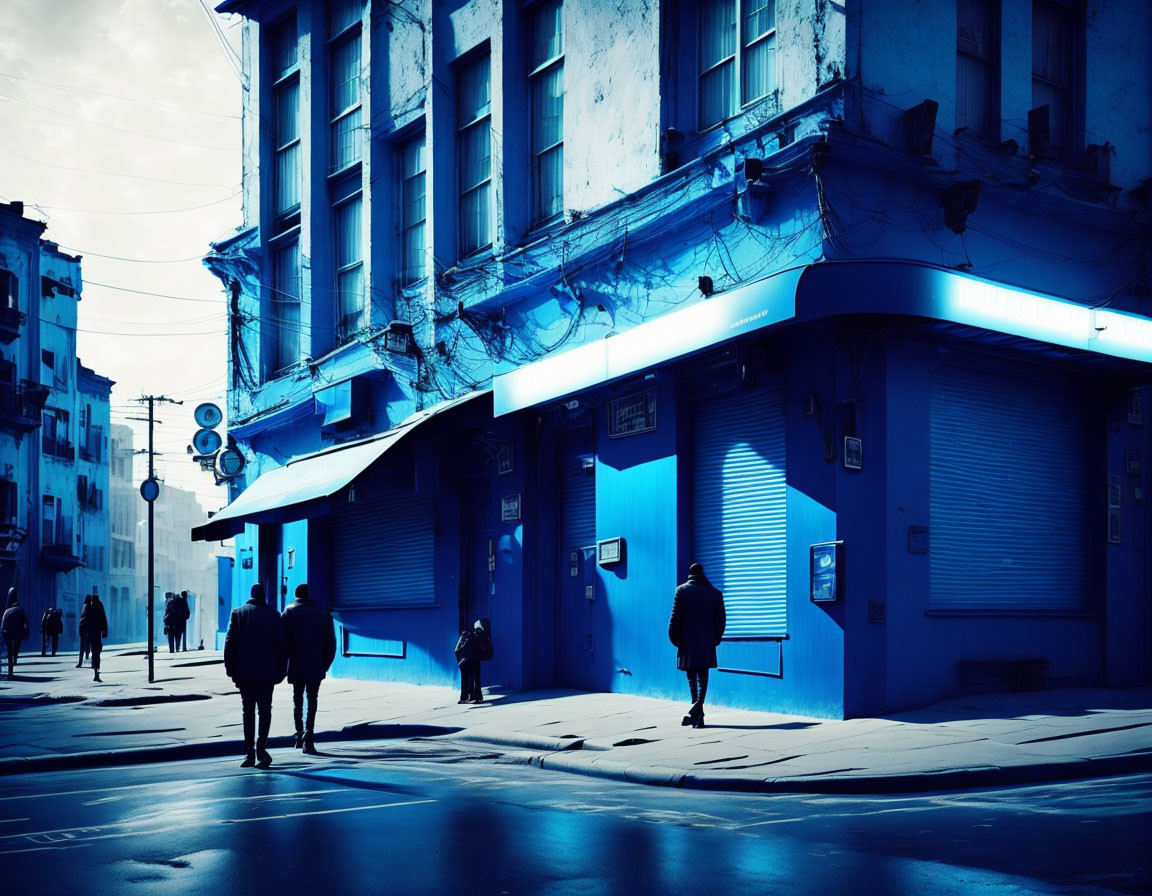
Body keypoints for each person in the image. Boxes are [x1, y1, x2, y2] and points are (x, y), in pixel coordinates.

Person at [223, 583, 285, 769]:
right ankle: (261, 749)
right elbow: (281, 647)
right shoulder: (274, 616)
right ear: (264, 596)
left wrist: (230, 669)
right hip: (267, 672)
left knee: (247, 711)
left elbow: (229, 644)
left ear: (251, 595)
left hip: (245, 672)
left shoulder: (238, 614)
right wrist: (282, 671)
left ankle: (249, 752)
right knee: (265, 711)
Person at [667, 562, 726, 729]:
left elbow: (674, 618)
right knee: (703, 676)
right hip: (707, 641)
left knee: (691, 677)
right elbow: (721, 620)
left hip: (687, 641)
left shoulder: (681, 591)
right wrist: (716, 638)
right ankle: (698, 714)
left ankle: (695, 709)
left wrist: (675, 639)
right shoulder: (715, 593)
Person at [281, 584, 337, 755]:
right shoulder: (323, 615)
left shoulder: (289, 612)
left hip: (296, 664)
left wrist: (284, 664)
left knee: (297, 699)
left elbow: (282, 642)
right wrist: (324, 665)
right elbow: (331, 645)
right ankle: (309, 738)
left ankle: (299, 735)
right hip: (315, 664)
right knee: (312, 701)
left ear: (296, 595)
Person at [454, 618, 493, 704]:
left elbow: (457, 649)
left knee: (465, 678)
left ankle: (465, 697)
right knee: (475, 678)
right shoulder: (480, 635)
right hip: (474, 658)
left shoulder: (467, 634)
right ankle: (476, 697)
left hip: (463, 659)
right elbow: (485, 649)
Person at [79, 593, 108, 683]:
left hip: (91, 632)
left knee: (95, 651)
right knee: (96, 652)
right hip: (95, 632)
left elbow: (82, 619)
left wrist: (83, 631)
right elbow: (104, 618)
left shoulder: (88, 606)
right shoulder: (98, 605)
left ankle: (95, 670)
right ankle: (96, 671)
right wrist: (105, 630)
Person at [1, 588, 29, 679]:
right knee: (15, 646)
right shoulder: (20, 609)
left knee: (9, 650)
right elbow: (25, 622)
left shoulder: (7, 611)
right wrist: (26, 631)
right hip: (17, 632)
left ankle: (10, 669)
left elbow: (3, 624)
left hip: (8, 632)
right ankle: (14, 660)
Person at [76, 594, 92, 668]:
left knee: (82, 646)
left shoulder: (84, 606)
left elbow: (82, 618)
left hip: (82, 628)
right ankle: (87, 659)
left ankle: (80, 662)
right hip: (87, 629)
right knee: (88, 645)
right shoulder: (89, 606)